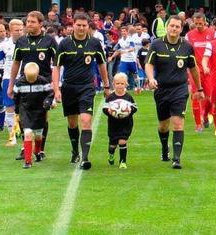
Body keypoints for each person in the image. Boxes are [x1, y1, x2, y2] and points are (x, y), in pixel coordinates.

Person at [53, 13, 110, 170]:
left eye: (84, 25)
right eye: (78, 25)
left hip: (87, 87)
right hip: (69, 87)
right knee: (72, 122)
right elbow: (56, 67)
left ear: (88, 27)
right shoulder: (64, 44)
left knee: (85, 121)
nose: (81, 28)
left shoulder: (94, 43)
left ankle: (85, 158)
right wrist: (56, 88)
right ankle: (74, 150)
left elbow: (102, 65)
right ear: (73, 25)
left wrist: (106, 86)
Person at [145, 15, 202, 169]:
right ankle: (165, 148)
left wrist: (199, 88)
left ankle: (176, 158)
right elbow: (149, 64)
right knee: (163, 125)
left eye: (177, 27)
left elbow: (194, 69)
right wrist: (151, 79)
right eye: (172, 26)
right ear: (167, 27)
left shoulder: (187, 47)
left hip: (180, 89)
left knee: (177, 124)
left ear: (181, 29)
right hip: (161, 89)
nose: (174, 29)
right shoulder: (156, 44)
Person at [8, 12, 56, 159]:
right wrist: (11, 84)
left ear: (41, 24)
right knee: (23, 116)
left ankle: (40, 149)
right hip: (25, 84)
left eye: (33, 22)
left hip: (43, 84)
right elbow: (16, 63)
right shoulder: (21, 41)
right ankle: (25, 146)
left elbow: (57, 64)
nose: (29, 24)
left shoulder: (49, 41)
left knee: (43, 115)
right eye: (28, 21)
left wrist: (55, 84)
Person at [13, 62, 54, 169]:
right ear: (24, 74)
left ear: (38, 74)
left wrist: (47, 102)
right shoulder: (19, 83)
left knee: (38, 135)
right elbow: (16, 98)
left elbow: (50, 94)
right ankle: (28, 161)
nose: (31, 81)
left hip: (39, 110)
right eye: (29, 78)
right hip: (25, 110)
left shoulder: (43, 81)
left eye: (33, 78)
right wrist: (17, 111)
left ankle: (37, 152)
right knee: (27, 133)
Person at [185, 13, 216, 132]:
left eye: (200, 23)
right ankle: (198, 124)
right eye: (196, 23)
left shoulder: (212, 33)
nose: (198, 26)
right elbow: (187, 52)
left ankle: (205, 115)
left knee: (209, 98)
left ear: (205, 22)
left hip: (209, 70)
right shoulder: (189, 35)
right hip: (195, 70)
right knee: (196, 96)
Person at [0, 18, 24, 146]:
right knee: (9, 108)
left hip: (24, 79)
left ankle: (23, 132)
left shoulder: (27, 43)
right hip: (8, 79)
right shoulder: (4, 45)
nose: (20, 32)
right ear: (10, 31)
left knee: (23, 109)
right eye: (17, 30)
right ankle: (12, 137)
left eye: (21, 29)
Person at [102, 73, 138, 169]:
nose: (120, 85)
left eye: (122, 83)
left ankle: (123, 162)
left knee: (122, 141)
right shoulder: (110, 97)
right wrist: (109, 111)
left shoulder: (128, 97)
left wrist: (129, 111)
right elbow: (104, 108)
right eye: (117, 83)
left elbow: (135, 108)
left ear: (126, 84)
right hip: (113, 124)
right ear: (113, 84)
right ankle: (111, 154)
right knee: (113, 145)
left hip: (126, 124)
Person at [107, 26, 139, 92]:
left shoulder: (130, 39)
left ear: (127, 32)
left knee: (135, 75)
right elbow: (118, 51)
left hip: (132, 60)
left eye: (124, 31)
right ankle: (123, 88)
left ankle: (138, 87)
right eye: (122, 31)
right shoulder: (120, 41)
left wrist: (125, 51)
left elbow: (132, 48)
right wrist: (111, 57)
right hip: (124, 60)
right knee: (121, 74)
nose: (123, 32)